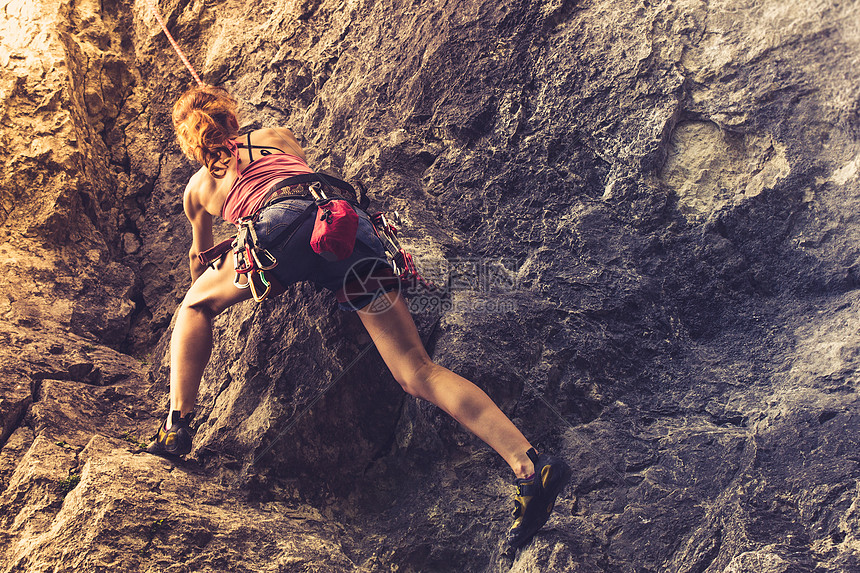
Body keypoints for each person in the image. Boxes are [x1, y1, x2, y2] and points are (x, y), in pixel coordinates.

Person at [146, 84, 570, 550]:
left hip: (280, 233)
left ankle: (176, 425)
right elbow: (299, 178)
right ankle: (529, 464)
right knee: (416, 370)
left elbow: (199, 260)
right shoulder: (275, 136)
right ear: (231, 116)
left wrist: (207, 286)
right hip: (347, 231)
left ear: (187, 140)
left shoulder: (198, 189)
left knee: (195, 305)